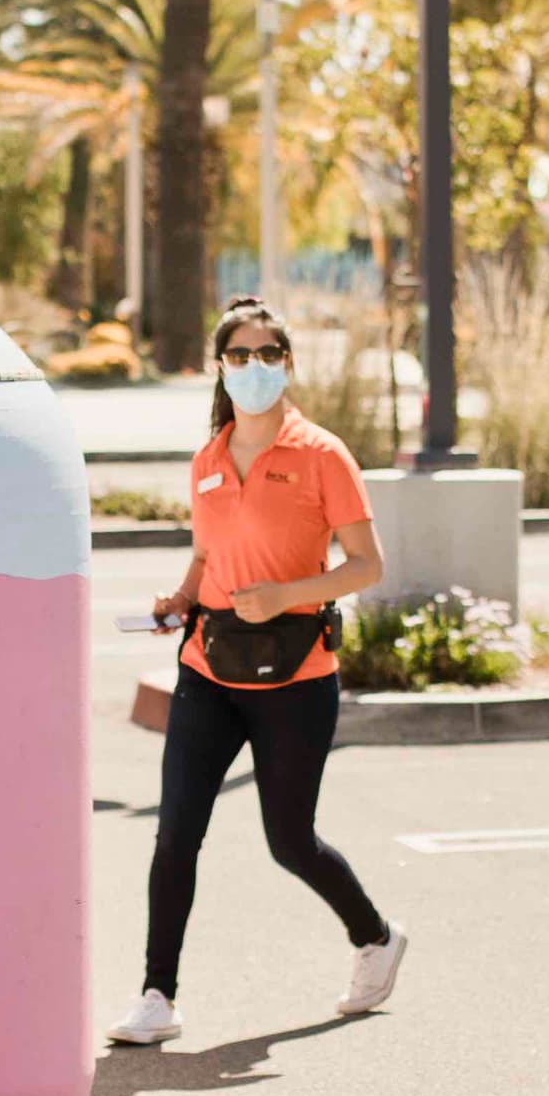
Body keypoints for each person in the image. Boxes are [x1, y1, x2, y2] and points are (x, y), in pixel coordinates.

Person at [113, 298, 404, 1049]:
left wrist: (286, 595)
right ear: (220, 365)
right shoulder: (209, 458)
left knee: (290, 840)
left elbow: (367, 565)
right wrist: (180, 599)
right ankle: (157, 994)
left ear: (287, 362)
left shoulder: (322, 454)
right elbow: (210, 555)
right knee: (175, 834)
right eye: (238, 354)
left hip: (295, 676)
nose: (253, 366)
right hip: (209, 668)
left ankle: (374, 936)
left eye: (268, 352)